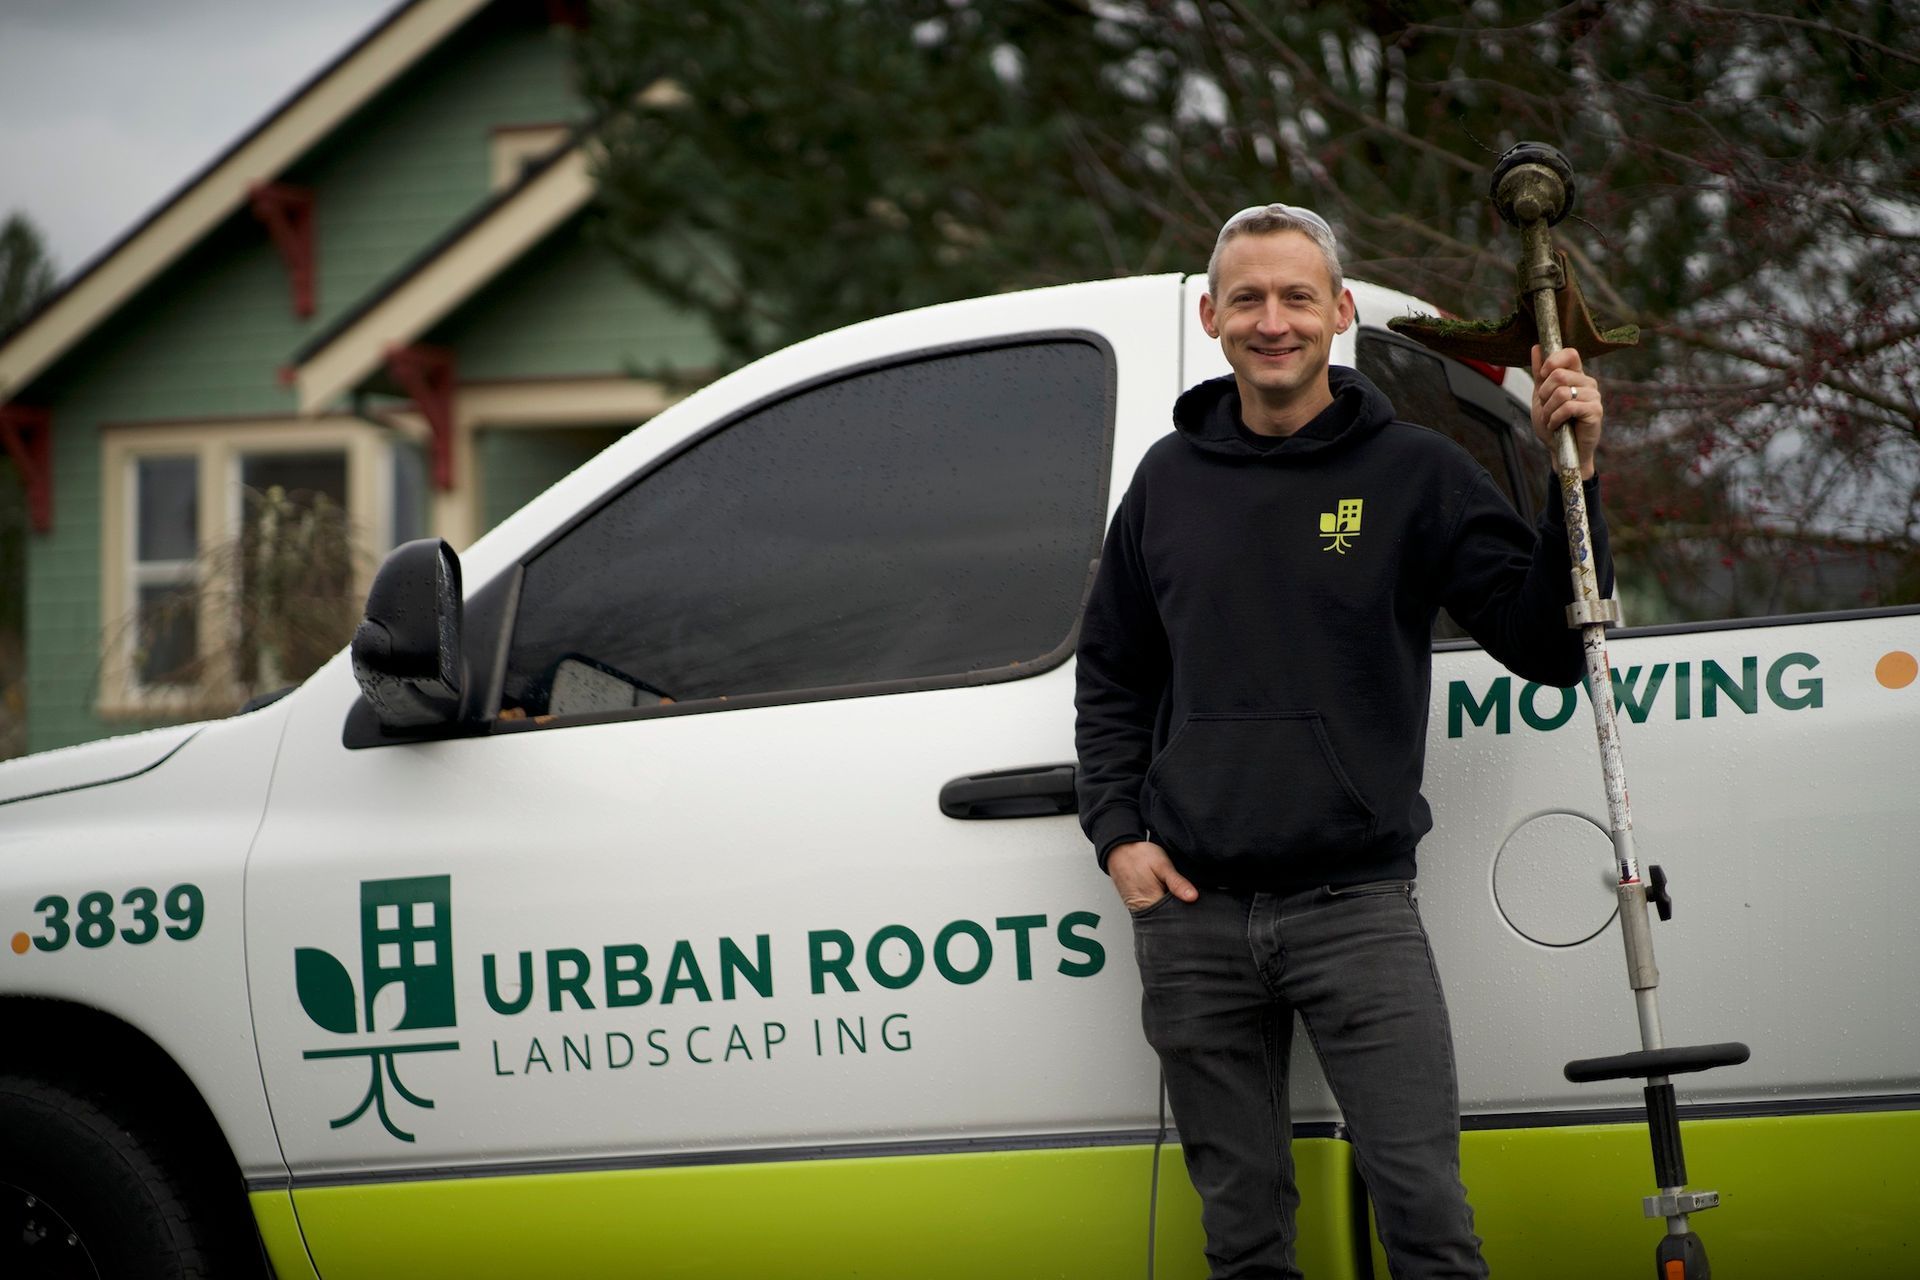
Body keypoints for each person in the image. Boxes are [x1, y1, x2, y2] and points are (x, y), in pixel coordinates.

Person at [1073, 203, 1611, 1279]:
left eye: (1298, 296)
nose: (1274, 321)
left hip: (1355, 909)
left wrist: (1577, 475)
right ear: (1211, 314)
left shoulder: (1414, 472)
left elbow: (1549, 645)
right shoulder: (1164, 486)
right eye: (1250, 298)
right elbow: (1115, 673)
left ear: (1341, 311)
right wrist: (1118, 833)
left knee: (1424, 1213)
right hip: (1193, 917)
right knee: (1243, 1233)